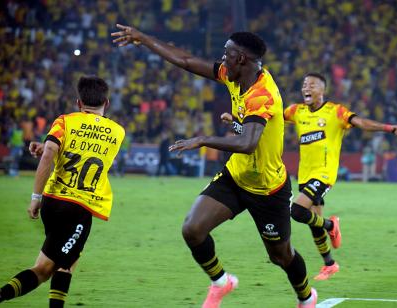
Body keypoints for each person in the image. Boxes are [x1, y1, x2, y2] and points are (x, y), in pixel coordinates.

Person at [112, 25, 317, 307]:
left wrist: (203, 139)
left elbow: (248, 143)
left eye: (226, 53)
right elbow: (186, 61)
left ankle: (307, 298)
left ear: (241, 59)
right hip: (235, 177)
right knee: (192, 229)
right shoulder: (233, 76)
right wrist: (144, 39)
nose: (222, 59)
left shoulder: (263, 95)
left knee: (280, 256)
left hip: (268, 188)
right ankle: (221, 282)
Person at [0, 76, 125, 308]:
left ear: (78, 103)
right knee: (63, 265)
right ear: (107, 103)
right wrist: (49, 151)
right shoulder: (118, 132)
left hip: (51, 202)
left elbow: (53, 152)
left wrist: (35, 197)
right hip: (79, 206)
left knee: (46, 266)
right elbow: (87, 149)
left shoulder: (65, 121)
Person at [283, 73, 397, 280]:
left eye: (312, 85)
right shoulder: (296, 111)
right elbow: (270, 115)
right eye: (304, 85)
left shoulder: (335, 111)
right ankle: (329, 264)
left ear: (322, 90)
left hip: (324, 173)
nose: (306, 88)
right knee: (314, 222)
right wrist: (238, 119)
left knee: (297, 211)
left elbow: (361, 122)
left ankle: (332, 225)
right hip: (304, 173)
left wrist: (388, 128)